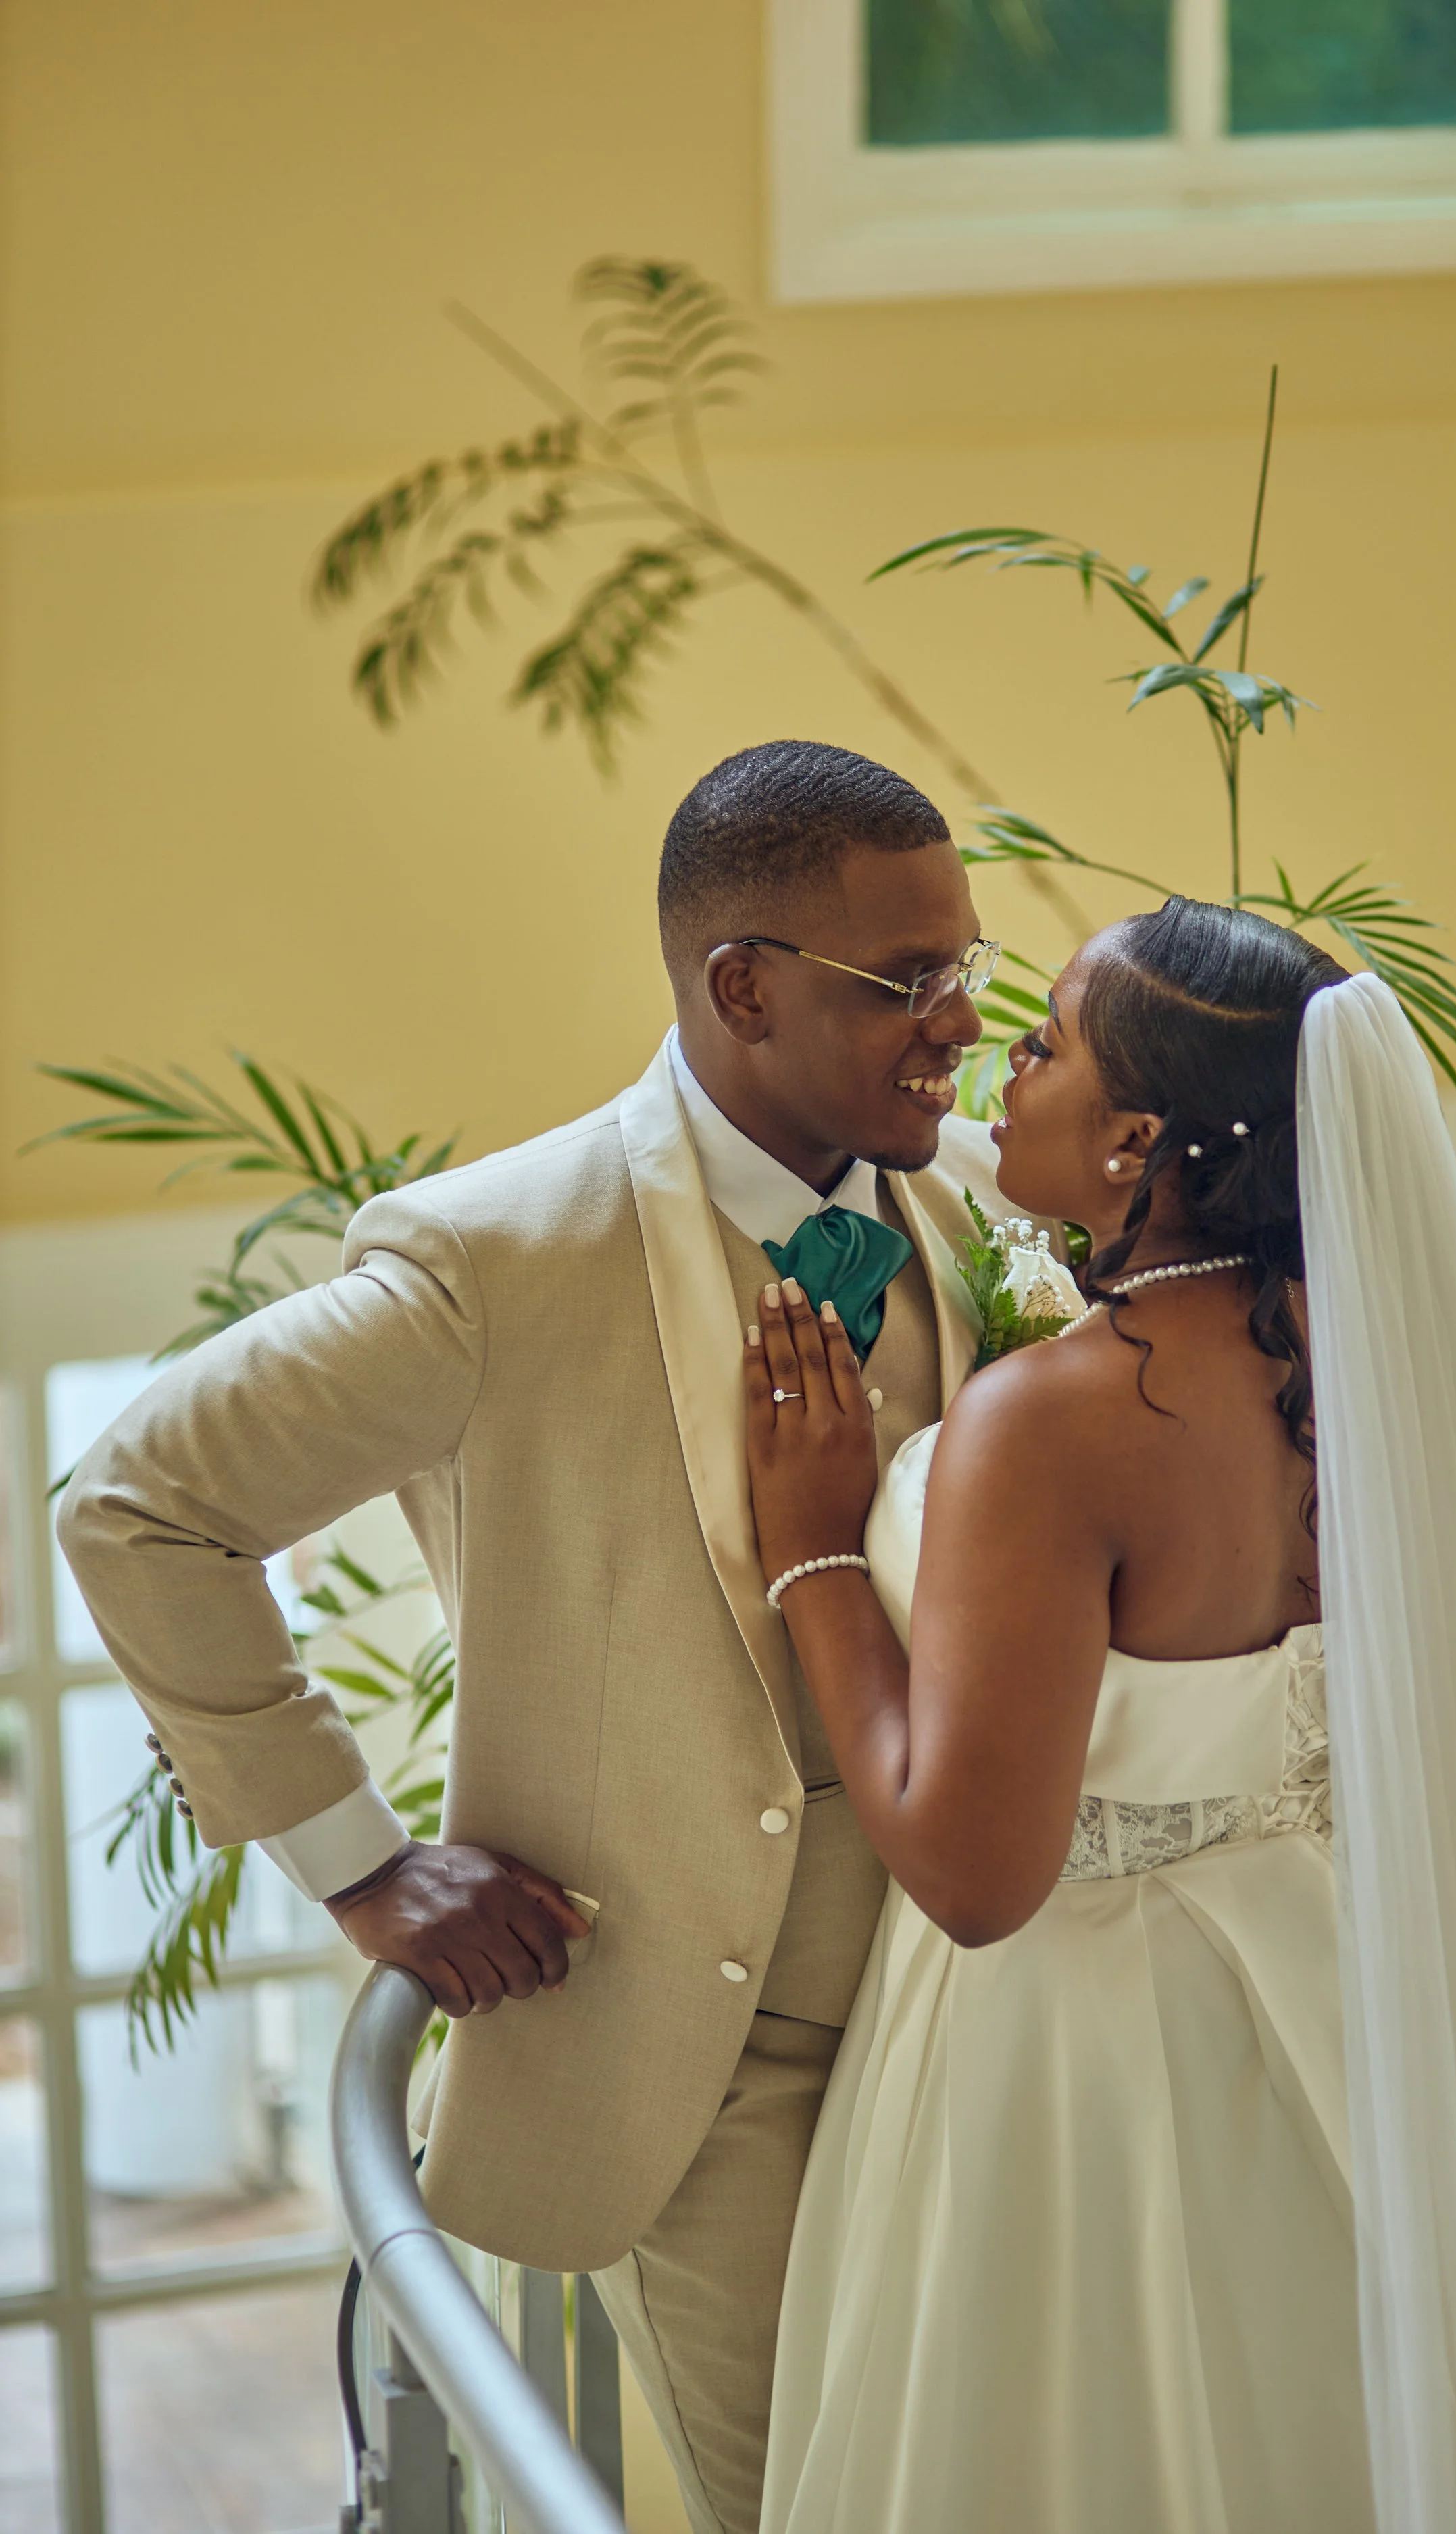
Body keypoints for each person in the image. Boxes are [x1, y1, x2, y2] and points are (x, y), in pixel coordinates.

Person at [57, 741, 1056, 2534]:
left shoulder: (982, 1203)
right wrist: (361, 1864)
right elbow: (136, 1504)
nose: (960, 1019)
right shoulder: (495, 1259)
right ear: (737, 984)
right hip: (701, 2071)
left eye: (967, 963)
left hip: (988, 2016)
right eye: (905, 979)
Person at [742, 900, 1456, 2534]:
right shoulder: (1352, 1344)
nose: (993, 1062)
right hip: (1335, 1994)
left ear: (1133, 1143)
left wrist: (815, 1547)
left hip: (1082, 2074)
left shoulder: (1052, 1421)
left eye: (1037, 1044)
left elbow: (976, 1881)